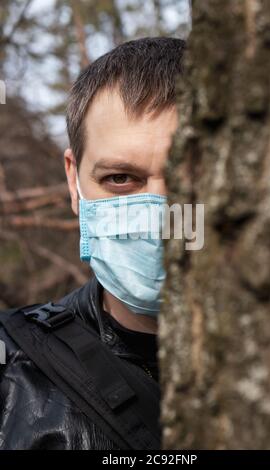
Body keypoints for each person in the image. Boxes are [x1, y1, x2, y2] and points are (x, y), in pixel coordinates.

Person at [0, 36, 185, 450]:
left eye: (190, 178)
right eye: (120, 178)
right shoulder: (11, 368)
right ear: (73, 181)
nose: (158, 215)